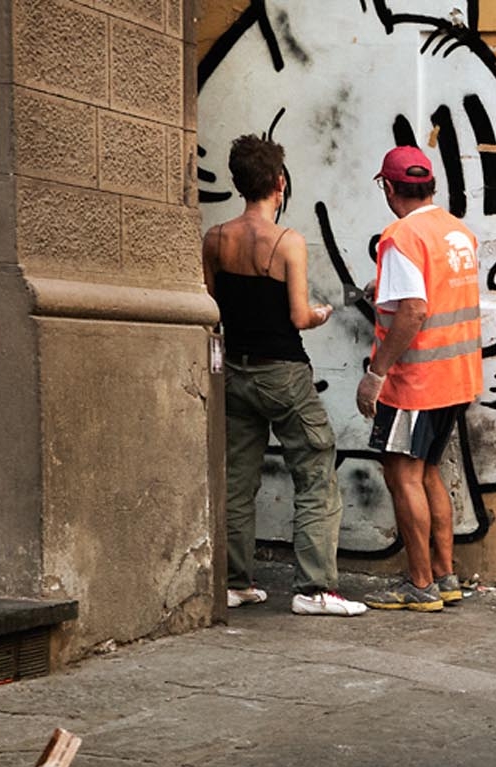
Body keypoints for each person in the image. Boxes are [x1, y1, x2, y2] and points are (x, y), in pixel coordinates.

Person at [203, 135, 366, 617]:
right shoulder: (288, 242)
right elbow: (297, 317)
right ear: (279, 183)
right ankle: (315, 589)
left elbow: (211, 304)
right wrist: (320, 314)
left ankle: (235, 582)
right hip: (284, 374)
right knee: (316, 470)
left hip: (234, 370)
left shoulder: (215, 239)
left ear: (238, 183)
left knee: (237, 480)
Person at [355, 144, 481, 612]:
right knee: (428, 471)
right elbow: (435, 294)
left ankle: (420, 584)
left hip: (415, 380)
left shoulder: (401, 236)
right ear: (430, 185)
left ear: (389, 188)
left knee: (402, 475)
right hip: (455, 377)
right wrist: (382, 289)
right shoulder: (457, 233)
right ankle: (445, 578)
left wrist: (376, 374)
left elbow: (414, 311)